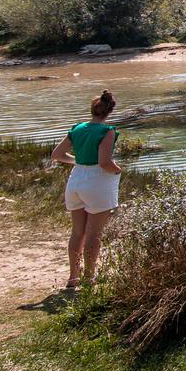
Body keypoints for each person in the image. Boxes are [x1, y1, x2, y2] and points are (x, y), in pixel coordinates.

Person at [49, 89, 121, 289]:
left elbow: (56, 154)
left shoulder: (77, 128)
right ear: (109, 111)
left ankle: (73, 277)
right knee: (94, 233)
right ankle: (89, 277)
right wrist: (118, 169)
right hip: (97, 181)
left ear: (93, 110)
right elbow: (104, 162)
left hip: (76, 180)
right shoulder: (107, 131)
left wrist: (78, 161)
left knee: (77, 232)